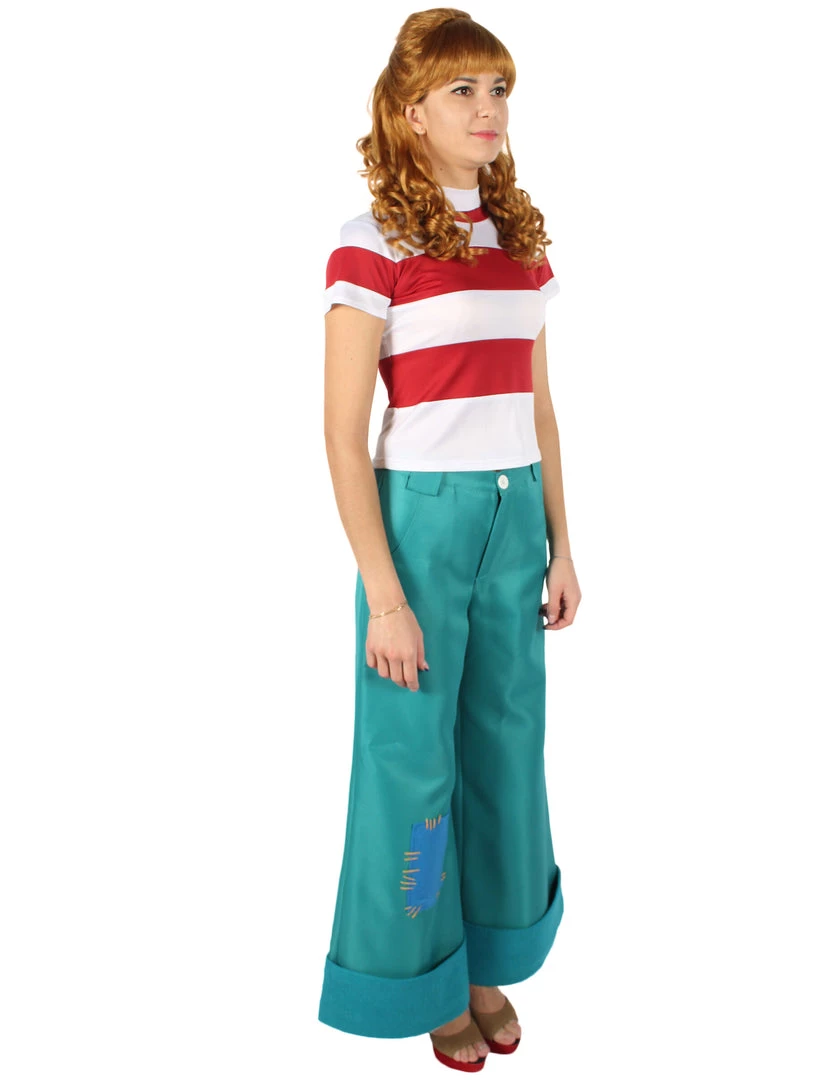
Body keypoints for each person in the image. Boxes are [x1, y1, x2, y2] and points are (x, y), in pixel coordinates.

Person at [317, 7, 581, 1071]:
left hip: (515, 516)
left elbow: (539, 408)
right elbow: (341, 435)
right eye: (462, 90)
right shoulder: (371, 242)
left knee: (505, 752)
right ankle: (418, 974)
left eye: (498, 88)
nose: (487, 109)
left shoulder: (520, 245)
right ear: (410, 111)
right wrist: (385, 596)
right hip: (419, 526)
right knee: (413, 768)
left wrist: (562, 544)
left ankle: (485, 960)